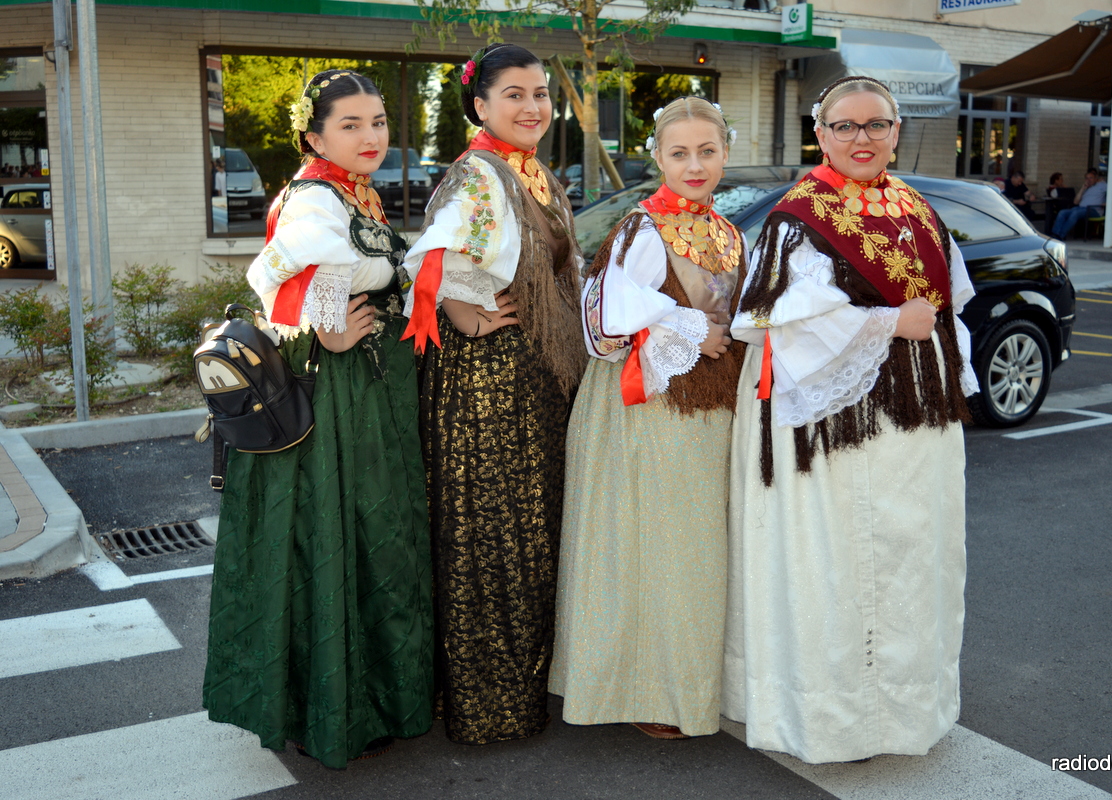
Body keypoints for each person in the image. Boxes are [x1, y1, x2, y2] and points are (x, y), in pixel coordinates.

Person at [722, 75, 978, 764]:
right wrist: (890, 323)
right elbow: (783, 322)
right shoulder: (798, 217)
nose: (861, 139)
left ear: (896, 132)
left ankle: (905, 709)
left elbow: (949, 305)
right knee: (839, 561)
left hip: (916, 417)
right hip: (832, 420)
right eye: (845, 126)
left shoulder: (917, 207)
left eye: (876, 125)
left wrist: (937, 357)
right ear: (821, 134)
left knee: (914, 557)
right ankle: (836, 717)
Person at [203, 69, 433, 769]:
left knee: (370, 534)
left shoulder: (350, 190)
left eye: (378, 122)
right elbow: (286, 267)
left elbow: (306, 269)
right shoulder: (313, 194)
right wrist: (334, 320)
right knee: (334, 532)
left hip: (365, 389)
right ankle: (325, 708)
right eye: (350, 125)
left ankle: (370, 698)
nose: (370, 136)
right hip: (335, 396)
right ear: (314, 136)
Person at [401, 43, 587, 745]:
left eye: (540, 93)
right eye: (515, 94)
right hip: (488, 385)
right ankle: (489, 704)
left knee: (527, 532)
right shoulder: (479, 173)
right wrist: (461, 309)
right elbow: (436, 253)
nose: (533, 106)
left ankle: (518, 689)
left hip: (527, 378)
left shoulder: (526, 170)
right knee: (495, 536)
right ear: (480, 106)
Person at [549, 97, 747, 740]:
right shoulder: (643, 228)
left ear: (725, 154)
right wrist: (690, 329)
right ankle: (648, 687)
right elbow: (605, 320)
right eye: (679, 153)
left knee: (699, 550)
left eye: (707, 151)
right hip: (649, 410)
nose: (695, 165)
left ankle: (694, 680)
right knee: (656, 546)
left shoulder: (728, 230)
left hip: (709, 410)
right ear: (657, 157)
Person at [1051, 167, 1107, 239]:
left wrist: (1107, 203)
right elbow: (1075, 202)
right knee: (1062, 212)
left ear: (1096, 179)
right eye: (1087, 178)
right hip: (1080, 208)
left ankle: (1061, 235)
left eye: (1091, 178)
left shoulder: (1102, 185)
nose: (1089, 180)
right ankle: (1055, 234)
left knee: (1075, 213)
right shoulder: (1085, 188)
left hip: (1093, 210)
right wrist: (1082, 189)